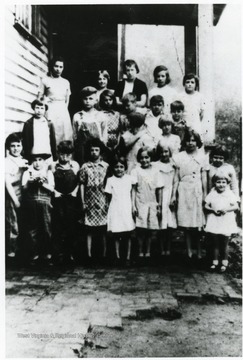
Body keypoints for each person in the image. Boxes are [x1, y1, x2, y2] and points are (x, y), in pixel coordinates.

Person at [171, 129, 208, 260]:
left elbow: (204, 178)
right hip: (184, 190)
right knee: (186, 224)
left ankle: (198, 251)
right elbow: (175, 178)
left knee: (197, 224)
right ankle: (188, 252)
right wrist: (174, 195)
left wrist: (205, 195)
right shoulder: (179, 157)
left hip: (196, 190)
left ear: (197, 142)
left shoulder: (202, 157)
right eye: (188, 140)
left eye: (193, 140)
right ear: (184, 142)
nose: (190, 143)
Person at [22, 152, 55, 264]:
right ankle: (34, 255)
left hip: (45, 203)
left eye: (40, 159)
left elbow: (51, 189)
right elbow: (24, 188)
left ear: (44, 161)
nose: (37, 163)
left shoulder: (48, 172)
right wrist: (30, 182)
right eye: (35, 160)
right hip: (31, 203)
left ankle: (47, 254)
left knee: (46, 228)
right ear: (32, 161)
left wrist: (42, 183)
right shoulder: (27, 172)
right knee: (32, 229)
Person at [131, 146, 163, 259]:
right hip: (140, 202)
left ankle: (148, 251)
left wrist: (159, 205)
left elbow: (159, 189)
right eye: (142, 158)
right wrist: (133, 205)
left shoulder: (156, 171)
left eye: (147, 157)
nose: (144, 160)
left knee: (149, 230)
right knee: (141, 229)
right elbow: (134, 189)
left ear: (151, 158)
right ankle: (140, 251)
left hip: (152, 202)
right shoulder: (135, 171)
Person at [79, 138, 109, 260]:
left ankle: (104, 254)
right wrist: (82, 201)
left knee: (103, 228)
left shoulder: (106, 166)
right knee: (89, 228)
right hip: (90, 199)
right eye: (92, 150)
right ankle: (89, 255)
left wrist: (108, 201)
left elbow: (109, 184)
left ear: (100, 152)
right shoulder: (85, 166)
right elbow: (82, 184)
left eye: (97, 150)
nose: (94, 152)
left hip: (102, 199)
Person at [51, 141, 80, 265]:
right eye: (62, 154)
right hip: (58, 199)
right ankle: (57, 254)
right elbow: (50, 181)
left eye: (68, 155)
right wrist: (55, 192)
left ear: (71, 155)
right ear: (58, 154)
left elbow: (79, 181)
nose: (64, 157)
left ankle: (70, 254)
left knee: (71, 226)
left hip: (71, 199)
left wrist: (74, 191)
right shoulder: (53, 166)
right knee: (57, 226)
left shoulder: (75, 165)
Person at [204, 172, 239, 272]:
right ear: (214, 183)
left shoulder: (229, 193)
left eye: (224, 182)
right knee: (215, 243)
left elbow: (236, 206)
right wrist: (212, 210)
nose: (221, 184)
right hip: (215, 220)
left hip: (226, 220)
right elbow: (206, 205)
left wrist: (226, 209)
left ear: (227, 183)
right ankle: (214, 262)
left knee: (224, 243)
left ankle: (224, 263)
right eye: (218, 182)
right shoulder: (212, 193)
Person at [105, 156, 136, 265]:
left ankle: (127, 257)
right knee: (116, 233)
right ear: (113, 168)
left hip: (126, 207)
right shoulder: (110, 180)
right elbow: (108, 197)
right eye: (116, 167)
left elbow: (133, 193)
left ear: (125, 168)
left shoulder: (129, 179)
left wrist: (133, 206)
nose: (119, 169)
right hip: (116, 208)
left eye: (121, 167)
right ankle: (117, 257)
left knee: (127, 234)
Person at [38, 56, 73, 145]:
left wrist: (64, 111)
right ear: (51, 66)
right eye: (56, 66)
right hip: (50, 109)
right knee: (52, 133)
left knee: (65, 134)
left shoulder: (66, 82)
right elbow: (39, 99)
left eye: (61, 67)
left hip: (62, 110)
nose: (58, 69)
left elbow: (67, 101)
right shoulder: (45, 80)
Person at [5, 133, 28, 258]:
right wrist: (15, 200)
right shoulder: (6, 162)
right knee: (13, 225)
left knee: (23, 222)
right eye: (12, 146)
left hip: (23, 194)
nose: (16, 148)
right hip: (12, 195)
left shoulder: (24, 160)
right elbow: (7, 183)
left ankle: (21, 249)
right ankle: (11, 252)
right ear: (8, 148)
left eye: (18, 145)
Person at [72, 86, 107, 165]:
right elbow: (74, 136)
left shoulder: (100, 115)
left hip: (97, 153)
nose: (87, 101)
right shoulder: (77, 116)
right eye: (85, 99)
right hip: (82, 152)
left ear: (96, 100)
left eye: (90, 99)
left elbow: (104, 136)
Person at [155, 144, 177, 256]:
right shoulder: (155, 165)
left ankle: (168, 249)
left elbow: (175, 181)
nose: (164, 154)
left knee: (169, 225)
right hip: (159, 195)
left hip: (170, 195)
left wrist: (173, 196)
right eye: (162, 152)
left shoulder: (174, 165)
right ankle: (161, 249)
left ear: (169, 152)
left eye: (166, 152)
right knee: (160, 224)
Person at [22, 98, 57, 163]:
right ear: (33, 109)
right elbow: (26, 142)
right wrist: (27, 157)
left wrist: (55, 157)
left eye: (42, 108)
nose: (39, 111)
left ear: (45, 110)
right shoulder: (28, 124)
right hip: (34, 156)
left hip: (47, 156)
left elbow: (53, 141)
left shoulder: (49, 124)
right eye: (37, 108)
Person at [178, 73, 206, 138]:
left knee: (196, 141)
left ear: (196, 84)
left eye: (192, 82)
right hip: (183, 125)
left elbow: (201, 114)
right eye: (187, 82)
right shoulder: (179, 96)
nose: (190, 84)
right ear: (184, 84)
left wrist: (195, 122)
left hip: (195, 124)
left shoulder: (200, 96)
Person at [99, 89, 121, 160]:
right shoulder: (99, 114)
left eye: (110, 100)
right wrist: (104, 144)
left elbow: (119, 130)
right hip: (104, 142)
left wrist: (117, 143)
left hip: (115, 143)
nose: (108, 102)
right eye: (106, 100)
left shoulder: (117, 114)